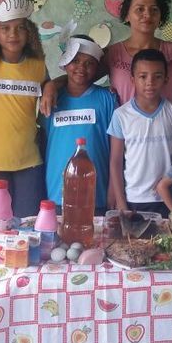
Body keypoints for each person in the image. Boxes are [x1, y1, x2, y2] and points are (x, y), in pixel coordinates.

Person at [40, 0, 172, 114]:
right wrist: (51, 86)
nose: (147, 15)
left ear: (161, 15)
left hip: (168, 137)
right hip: (125, 138)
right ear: (127, 15)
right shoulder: (113, 54)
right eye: (140, 9)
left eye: (154, 9)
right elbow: (78, 78)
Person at [0, 0, 49, 217]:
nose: (13, 34)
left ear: (30, 33)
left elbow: (52, 85)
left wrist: (54, 85)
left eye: (20, 28)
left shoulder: (38, 66)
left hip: (29, 164)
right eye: (5, 28)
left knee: (28, 228)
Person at [107, 49, 172, 217]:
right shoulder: (121, 115)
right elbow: (116, 161)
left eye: (157, 76)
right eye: (143, 76)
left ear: (166, 79)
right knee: (135, 243)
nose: (150, 82)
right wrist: (121, 202)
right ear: (132, 79)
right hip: (133, 198)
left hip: (167, 198)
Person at [41, 35, 116, 214]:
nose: (81, 68)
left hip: (96, 194)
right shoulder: (51, 99)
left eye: (89, 63)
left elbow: (116, 147)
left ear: (97, 68)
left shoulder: (107, 99)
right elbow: (43, 142)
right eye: (75, 61)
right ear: (65, 63)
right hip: (57, 194)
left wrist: (114, 187)